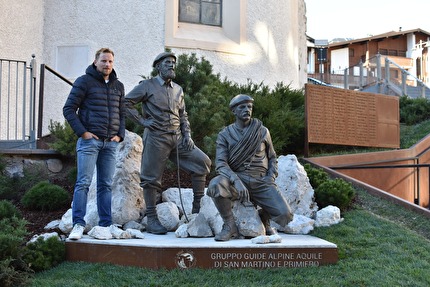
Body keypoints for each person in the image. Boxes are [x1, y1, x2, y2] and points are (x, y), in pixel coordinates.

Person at [125, 52, 211, 234]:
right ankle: (152, 218)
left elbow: (183, 115)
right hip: (157, 137)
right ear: (158, 66)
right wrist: (143, 121)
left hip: (178, 138)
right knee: (150, 179)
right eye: (167, 63)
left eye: (173, 63)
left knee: (203, 162)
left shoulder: (178, 89)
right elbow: (125, 103)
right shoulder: (147, 86)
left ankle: (197, 209)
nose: (171, 66)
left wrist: (187, 135)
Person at [207, 94, 293, 241]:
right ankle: (229, 225)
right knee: (216, 184)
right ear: (234, 111)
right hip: (236, 178)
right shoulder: (225, 134)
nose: (247, 109)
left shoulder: (262, 131)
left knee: (285, 214)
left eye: (249, 107)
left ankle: (264, 220)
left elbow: (272, 157)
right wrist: (236, 180)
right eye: (242, 107)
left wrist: (270, 178)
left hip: (261, 180)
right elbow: (221, 163)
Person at [63, 48, 125, 240]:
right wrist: (83, 133)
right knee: (83, 183)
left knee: (106, 185)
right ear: (96, 62)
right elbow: (69, 109)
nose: (107, 64)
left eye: (110, 62)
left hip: (110, 144)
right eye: (104, 61)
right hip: (90, 143)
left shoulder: (118, 86)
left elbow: (122, 113)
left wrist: (120, 135)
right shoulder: (84, 81)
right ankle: (78, 225)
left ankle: (106, 224)